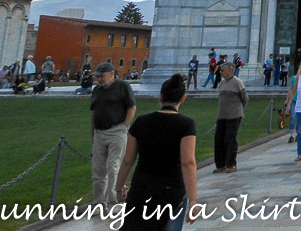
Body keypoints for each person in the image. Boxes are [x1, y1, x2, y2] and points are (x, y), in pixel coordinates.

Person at [115, 74, 197, 231]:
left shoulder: (141, 121)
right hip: (171, 189)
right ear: (183, 98)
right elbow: (188, 162)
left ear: (160, 96)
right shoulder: (186, 124)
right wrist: (193, 200)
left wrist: (119, 188)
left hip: (142, 187)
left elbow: (128, 160)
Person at [91, 62, 137, 208]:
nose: (99, 79)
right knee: (98, 170)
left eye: (101, 76)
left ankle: (113, 201)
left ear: (111, 74)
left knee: (113, 167)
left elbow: (132, 107)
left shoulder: (122, 86)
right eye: (97, 76)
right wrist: (93, 133)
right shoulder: (97, 90)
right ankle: (98, 202)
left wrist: (124, 127)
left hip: (116, 130)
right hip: (99, 132)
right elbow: (94, 112)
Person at [213, 61, 247, 174]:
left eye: (222, 70)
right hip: (222, 115)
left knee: (230, 139)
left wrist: (240, 110)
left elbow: (245, 98)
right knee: (219, 140)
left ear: (230, 70)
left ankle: (231, 164)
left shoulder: (237, 82)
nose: (220, 72)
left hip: (234, 115)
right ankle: (220, 164)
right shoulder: (222, 83)